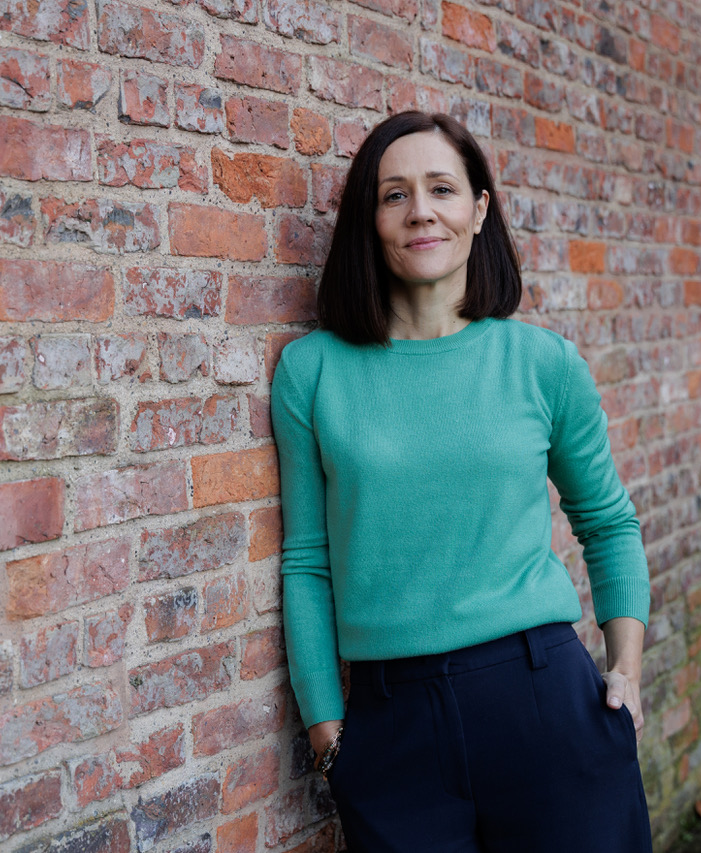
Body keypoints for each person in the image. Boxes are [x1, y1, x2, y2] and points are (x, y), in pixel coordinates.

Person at [270, 111, 654, 853]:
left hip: (546, 703)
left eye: (442, 188)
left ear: (478, 210)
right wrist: (328, 736)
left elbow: (607, 522)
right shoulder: (312, 372)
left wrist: (626, 671)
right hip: (392, 731)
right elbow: (307, 563)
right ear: (370, 219)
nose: (420, 210)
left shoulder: (542, 363)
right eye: (394, 194)